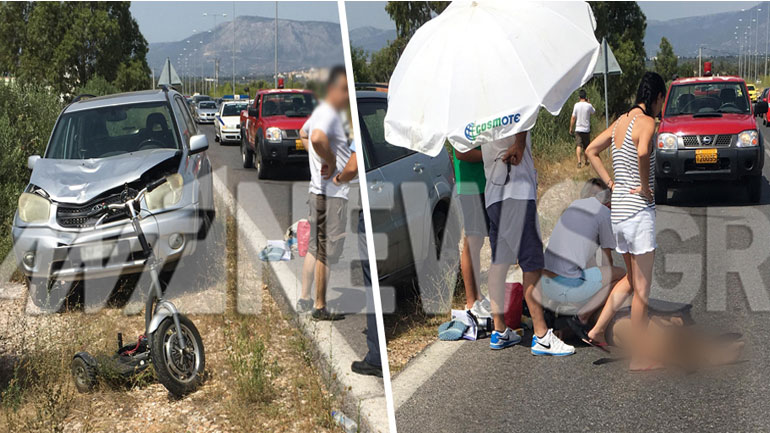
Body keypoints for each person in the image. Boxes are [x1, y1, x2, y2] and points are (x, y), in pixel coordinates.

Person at [585, 71, 667, 371]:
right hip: (638, 213)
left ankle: (595, 331)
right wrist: (645, 187)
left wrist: (610, 182)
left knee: (631, 281)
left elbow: (592, 150)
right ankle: (639, 357)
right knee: (643, 288)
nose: (661, 107)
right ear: (657, 98)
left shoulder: (620, 122)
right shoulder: (648, 123)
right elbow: (644, 150)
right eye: (662, 100)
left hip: (618, 213)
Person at [482, 131, 574, 355]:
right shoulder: (512, 100)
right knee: (531, 263)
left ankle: (499, 330)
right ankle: (542, 335)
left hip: (493, 194)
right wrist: (520, 143)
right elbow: (520, 118)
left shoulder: (481, 108)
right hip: (517, 191)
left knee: (499, 263)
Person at [536, 179, 629, 350]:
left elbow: (588, 261)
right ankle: (582, 318)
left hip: (544, 285)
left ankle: (559, 316)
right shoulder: (603, 213)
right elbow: (607, 263)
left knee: (590, 276)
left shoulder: (572, 208)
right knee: (622, 276)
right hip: (565, 288)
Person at [296, 65, 351, 321]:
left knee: (315, 249)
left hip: (316, 192)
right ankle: (320, 306)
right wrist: (328, 159)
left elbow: (304, 133)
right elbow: (316, 137)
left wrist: (314, 157)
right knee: (327, 253)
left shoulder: (320, 112)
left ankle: (305, 297)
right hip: (333, 194)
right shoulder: (332, 115)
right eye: (344, 89)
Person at [453, 147, 491, 318]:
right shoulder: (459, 121)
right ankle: (471, 302)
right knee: (472, 242)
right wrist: (492, 155)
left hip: (483, 182)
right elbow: (461, 153)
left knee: (478, 242)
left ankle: (478, 296)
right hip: (471, 186)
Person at [569, 89, 595, 168]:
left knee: (578, 145)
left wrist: (571, 128)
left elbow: (573, 117)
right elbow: (593, 112)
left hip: (578, 129)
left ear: (579, 97)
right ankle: (586, 161)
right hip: (586, 129)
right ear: (585, 96)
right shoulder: (588, 105)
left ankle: (579, 161)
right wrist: (589, 103)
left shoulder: (576, 105)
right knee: (586, 146)